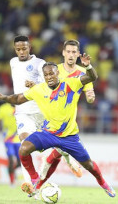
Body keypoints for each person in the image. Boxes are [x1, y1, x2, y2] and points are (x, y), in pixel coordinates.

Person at [0, 61, 116, 198]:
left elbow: (92, 77)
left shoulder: (70, 83)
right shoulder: (39, 89)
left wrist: (88, 66)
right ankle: (34, 179)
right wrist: (3, 97)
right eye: (46, 75)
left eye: (51, 73)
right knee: (24, 149)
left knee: (89, 165)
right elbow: (18, 98)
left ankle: (103, 183)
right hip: (48, 133)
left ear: (58, 73)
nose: (49, 77)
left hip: (69, 137)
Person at [10, 35, 79, 184]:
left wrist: (34, 84)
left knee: (60, 143)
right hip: (23, 111)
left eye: (24, 48)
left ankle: (68, 159)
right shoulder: (13, 62)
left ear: (30, 47)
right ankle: (31, 183)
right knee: (24, 144)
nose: (21, 52)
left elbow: (50, 83)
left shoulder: (39, 63)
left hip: (42, 110)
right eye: (18, 49)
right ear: (15, 50)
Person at [35, 40, 95, 180]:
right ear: (63, 53)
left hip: (68, 114)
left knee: (63, 140)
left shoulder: (82, 72)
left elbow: (90, 94)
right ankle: (62, 160)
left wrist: (91, 96)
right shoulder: (55, 70)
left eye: (74, 52)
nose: (71, 55)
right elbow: (43, 88)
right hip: (49, 111)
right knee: (61, 139)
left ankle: (62, 159)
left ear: (78, 54)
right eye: (68, 51)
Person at [0, 103, 21, 186]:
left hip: (19, 137)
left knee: (21, 162)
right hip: (8, 138)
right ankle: (12, 182)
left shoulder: (21, 106)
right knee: (10, 158)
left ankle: (12, 169)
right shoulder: (3, 108)